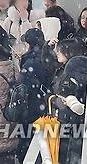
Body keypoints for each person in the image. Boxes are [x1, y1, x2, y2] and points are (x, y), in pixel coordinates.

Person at [16, 28, 54, 161]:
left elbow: (24, 88)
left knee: (27, 143)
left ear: (29, 45)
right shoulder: (48, 57)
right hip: (45, 105)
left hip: (31, 107)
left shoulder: (30, 62)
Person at [52, 39, 87, 164]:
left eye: (60, 50)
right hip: (70, 121)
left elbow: (69, 93)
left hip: (71, 121)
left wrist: (67, 99)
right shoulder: (71, 67)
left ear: (69, 52)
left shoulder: (75, 69)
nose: (56, 52)